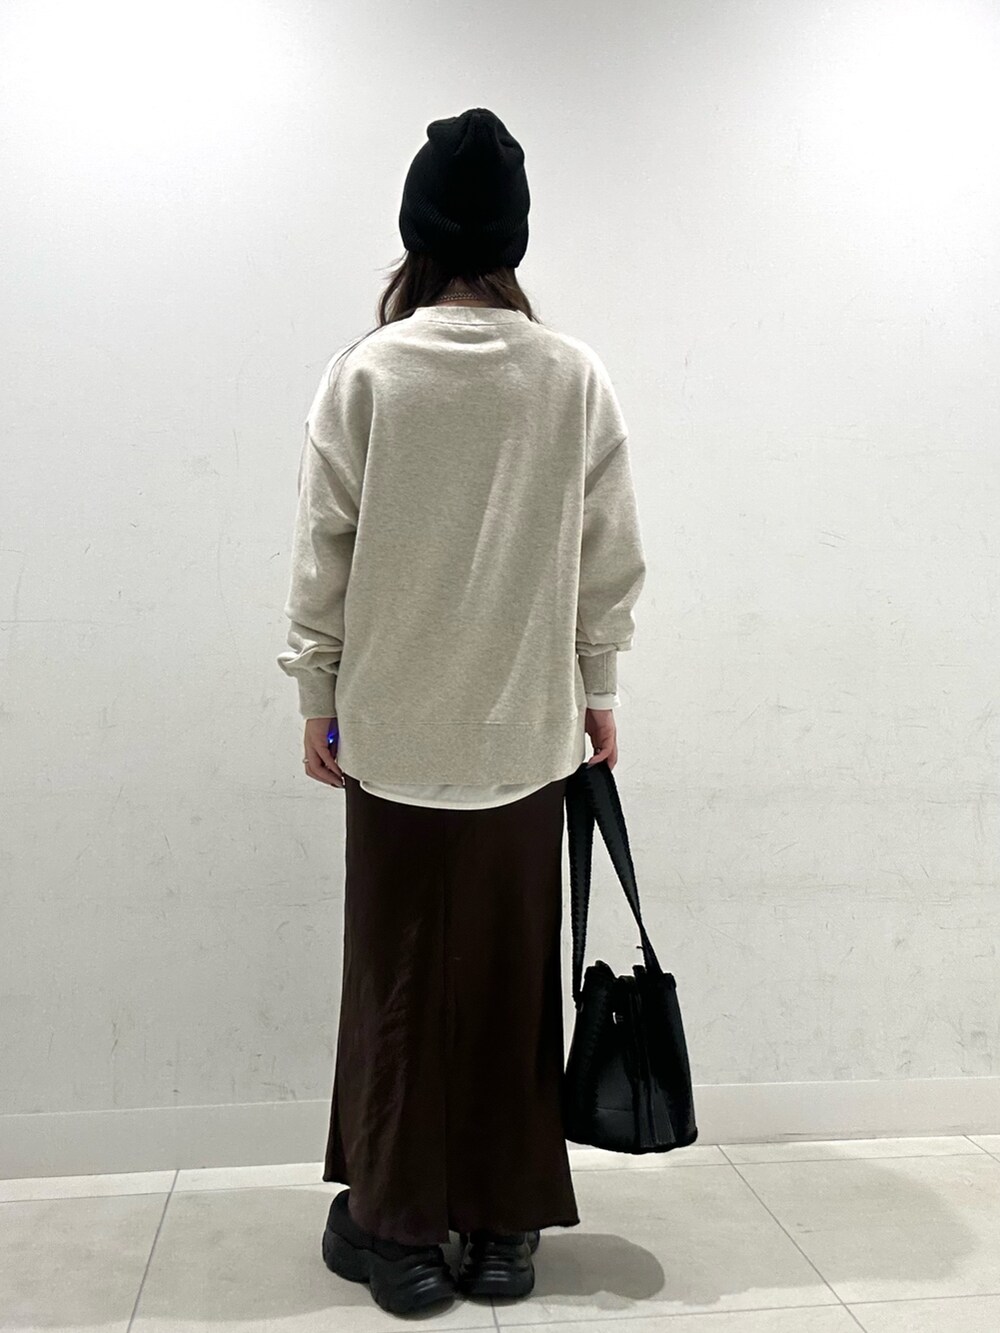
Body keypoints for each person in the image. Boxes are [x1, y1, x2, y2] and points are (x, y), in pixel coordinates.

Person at [277, 106, 646, 1316]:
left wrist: (318, 691)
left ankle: (397, 1235)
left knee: (395, 982)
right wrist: (596, 686)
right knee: (506, 983)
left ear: (417, 233)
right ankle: (500, 1232)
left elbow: (323, 552)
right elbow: (607, 554)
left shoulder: (369, 372)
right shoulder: (571, 375)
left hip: (390, 732)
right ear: (512, 238)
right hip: (525, 734)